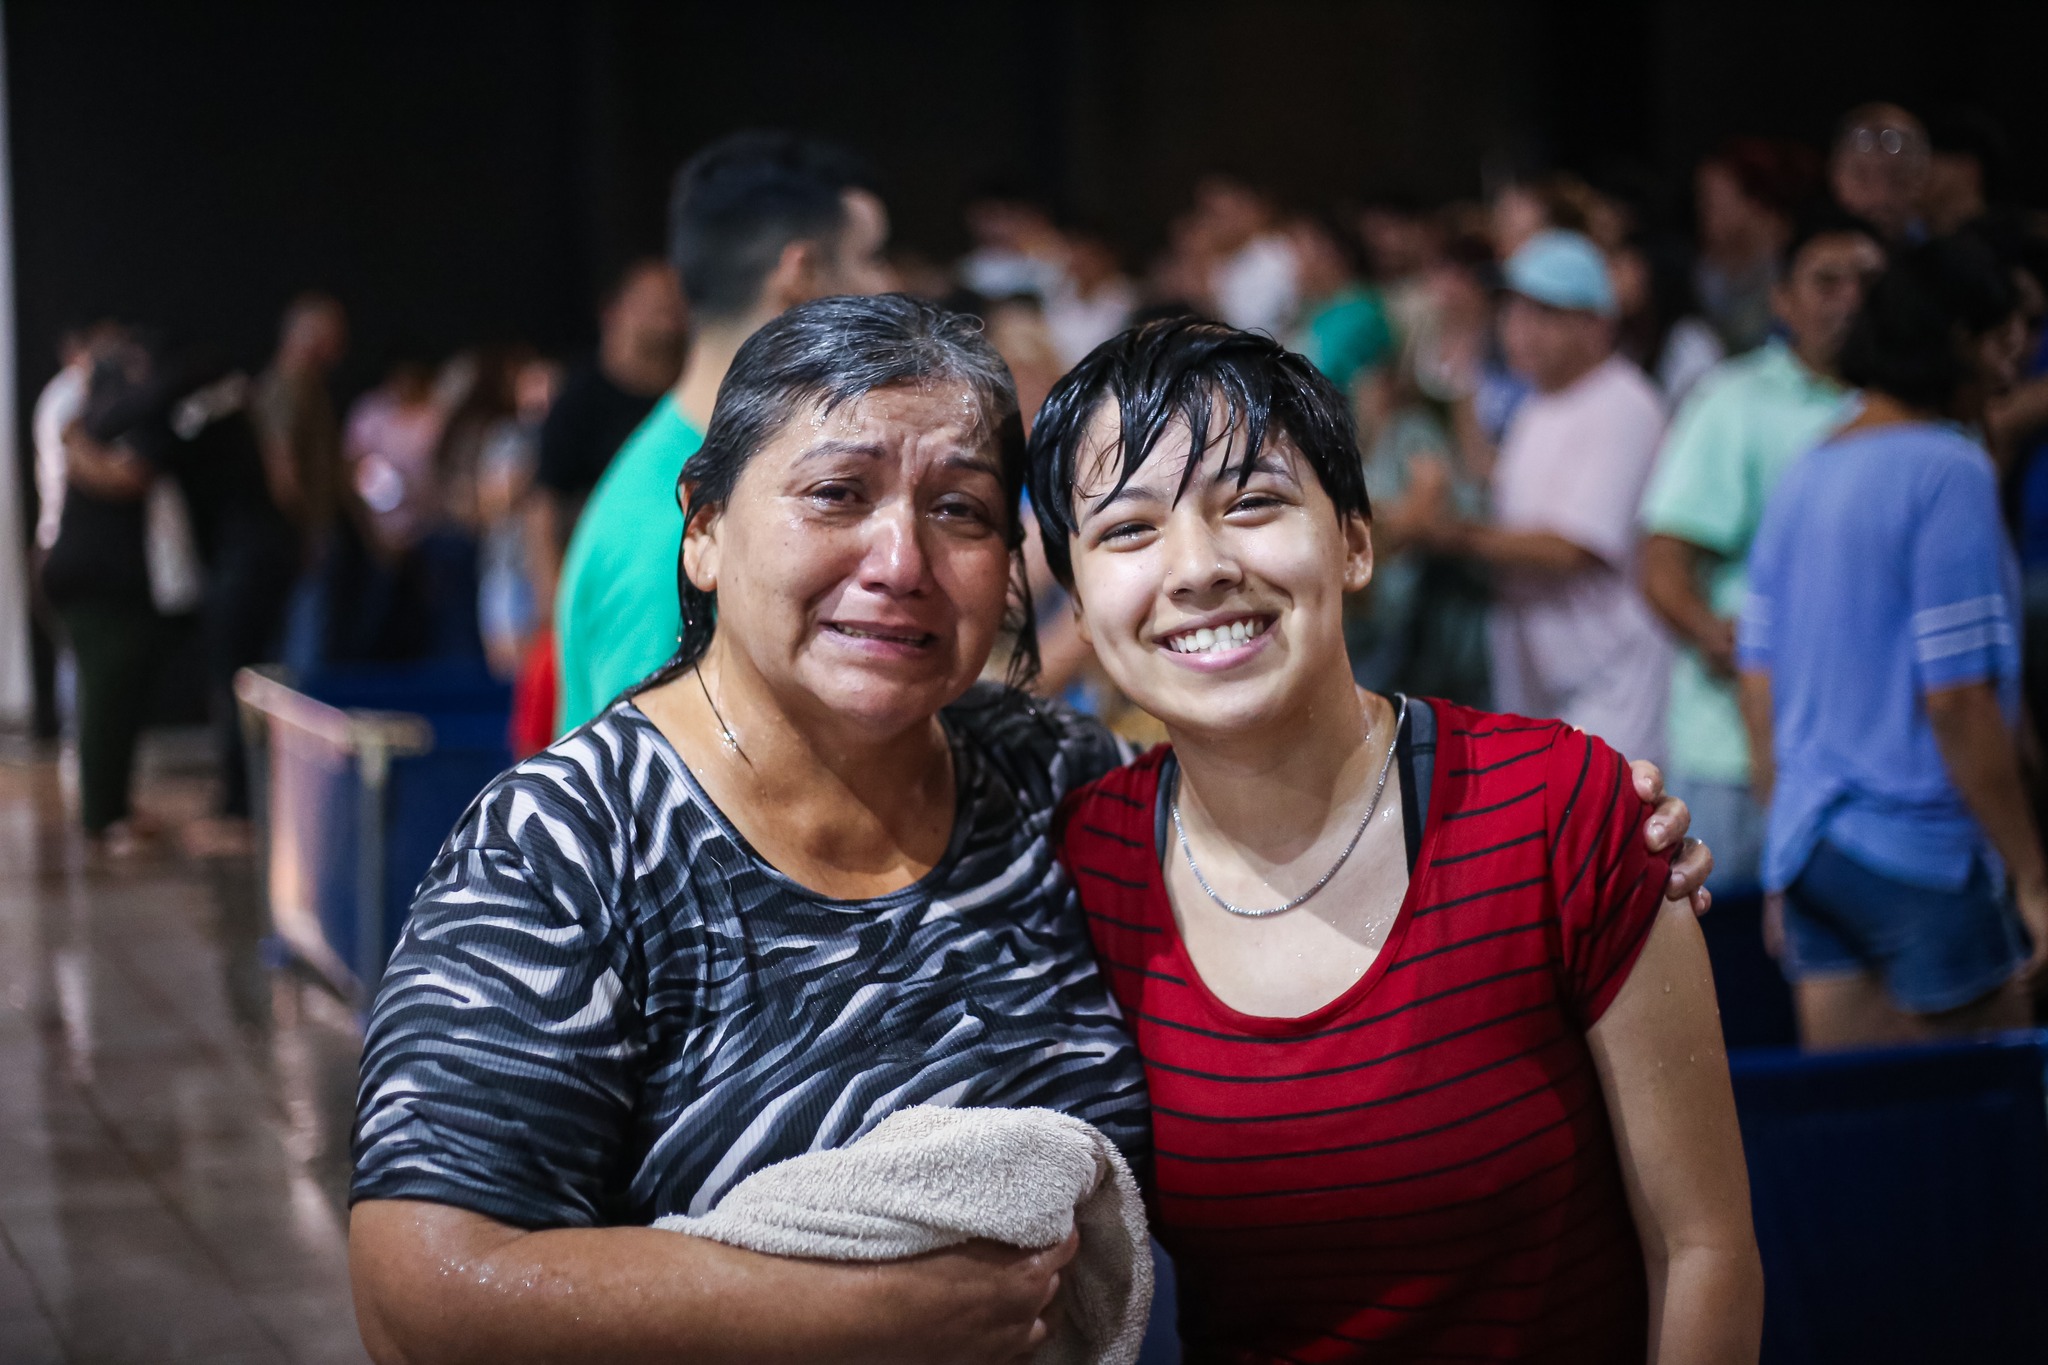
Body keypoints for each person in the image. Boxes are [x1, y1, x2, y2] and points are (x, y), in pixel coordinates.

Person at [350, 295, 1714, 1365]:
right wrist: (860, 1315)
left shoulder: (1045, 779)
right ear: (704, 530)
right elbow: (421, 1292)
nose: (900, 561)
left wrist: (1593, 827)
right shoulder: (565, 845)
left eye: (958, 509)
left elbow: (1279, 806)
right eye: (836, 494)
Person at [1030, 318, 1760, 1363]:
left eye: (1251, 503)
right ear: (1078, 599)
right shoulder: (1082, 863)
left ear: (1355, 543)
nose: (1196, 568)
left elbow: (1700, 1250)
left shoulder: (1558, 808)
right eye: (1128, 530)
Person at [1739, 236, 2044, 1050]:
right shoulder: (1950, 469)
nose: (2016, 362)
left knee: (1864, 1120)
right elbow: (1959, 700)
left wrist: (1781, 849)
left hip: (1811, 851)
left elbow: (1756, 680)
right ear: (1960, 342)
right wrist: (2034, 875)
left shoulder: (1807, 470)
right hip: (1923, 852)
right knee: (1988, 1119)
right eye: (2006, 337)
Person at [554, 131, 894, 732]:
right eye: (869, 258)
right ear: (802, 271)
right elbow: (650, 779)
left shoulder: (711, 473)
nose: (886, 286)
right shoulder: (666, 527)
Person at [1639, 210, 1885, 896]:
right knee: (1728, 945)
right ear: (1783, 299)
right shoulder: (1735, 400)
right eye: (1827, 282)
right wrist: (1713, 633)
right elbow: (1662, 557)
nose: (1850, 301)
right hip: (1733, 748)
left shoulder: (1911, 409)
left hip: (1873, 754)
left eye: (1869, 284)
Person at [1421, 229, 1672, 762]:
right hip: (1543, 686)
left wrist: (1449, 534)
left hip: (1613, 688)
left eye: (1544, 314)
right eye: (1513, 310)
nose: (1520, 328)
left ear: (1597, 324)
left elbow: (1572, 546)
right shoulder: (1539, 402)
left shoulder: (1624, 405)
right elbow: (1500, 486)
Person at [528, 259, 685, 575]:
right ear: (614, 311)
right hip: (607, 577)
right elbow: (543, 505)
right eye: (651, 300)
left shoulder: (694, 397)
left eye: (674, 299)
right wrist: (552, 590)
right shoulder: (579, 401)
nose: (667, 310)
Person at [1692, 139, 1813, 355]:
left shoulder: (1797, 259)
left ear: (1754, 201)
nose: (1703, 211)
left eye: (1711, 200)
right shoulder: (1708, 268)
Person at [252, 292, 350, 556]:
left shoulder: (309, 387)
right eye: (332, 334)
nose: (339, 345)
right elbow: (280, 465)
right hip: (298, 535)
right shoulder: (288, 386)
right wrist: (304, 532)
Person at [1283, 211, 1396, 402]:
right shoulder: (1318, 310)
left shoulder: (1359, 314)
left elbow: (1315, 380)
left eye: (1299, 248)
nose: (1292, 261)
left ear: (1329, 252)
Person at [1829, 103, 1930, 245]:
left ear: (1923, 177)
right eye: (1862, 179)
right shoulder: (1810, 249)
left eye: (1897, 179)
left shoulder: (1947, 251)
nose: (1880, 196)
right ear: (1836, 176)